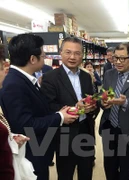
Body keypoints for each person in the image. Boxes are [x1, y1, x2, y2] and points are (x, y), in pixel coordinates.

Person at [0, 34, 79, 180]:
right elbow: (26, 124)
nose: (45, 58)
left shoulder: (26, 80)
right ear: (32, 59)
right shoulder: (14, 85)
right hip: (31, 154)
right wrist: (60, 117)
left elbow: (37, 110)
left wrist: (60, 112)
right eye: (43, 55)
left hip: (39, 152)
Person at [41, 37, 99, 180]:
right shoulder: (50, 77)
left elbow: (93, 99)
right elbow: (49, 106)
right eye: (68, 52)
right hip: (64, 135)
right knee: (65, 174)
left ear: (82, 55)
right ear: (60, 53)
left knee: (86, 173)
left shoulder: (86, 76)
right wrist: (75, 109)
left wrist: (92, 107)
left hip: (86, 131)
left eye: (77, 53)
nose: (72, 57)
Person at [99, 43, 129, 180]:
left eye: (122, 59)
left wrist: (124, 102)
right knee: (109, 165)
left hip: (127, 130)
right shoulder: (109, 74)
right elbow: (103, 94)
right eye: (115, 58)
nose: (118, 62)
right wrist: (102, 102)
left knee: (125, 167)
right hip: (109, 127)